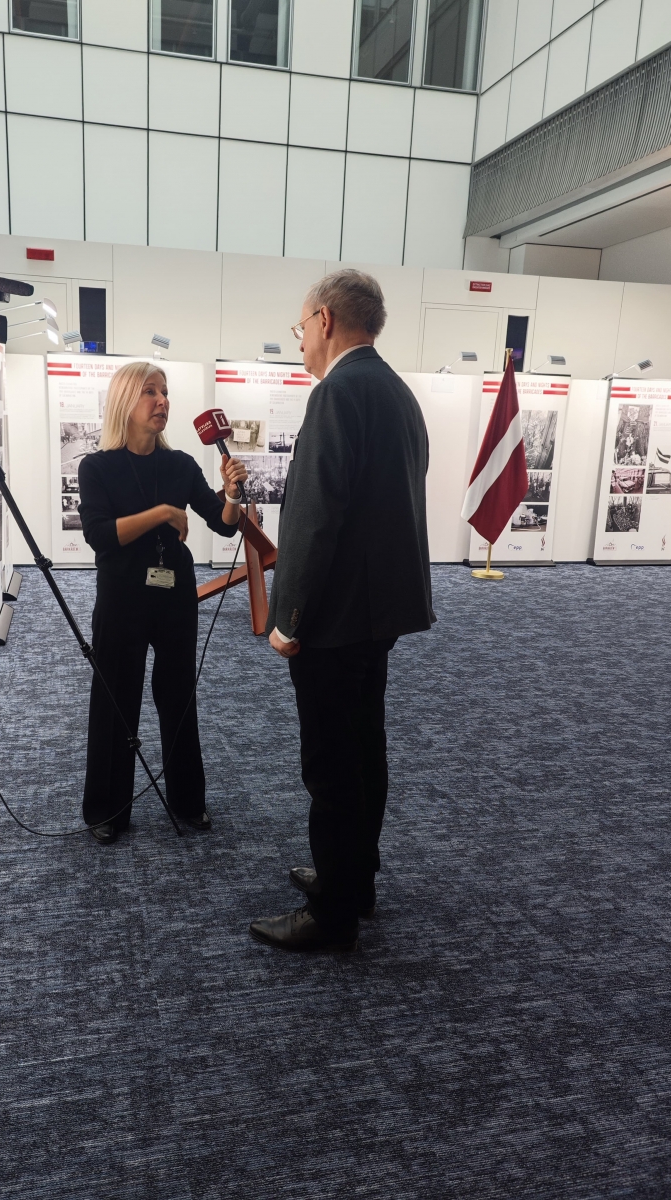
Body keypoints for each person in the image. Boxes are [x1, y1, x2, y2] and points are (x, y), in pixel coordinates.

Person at [249, 269, 435, 953]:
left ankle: (332, 916)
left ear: (324, 320)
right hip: (378, 612)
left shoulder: (336, 392)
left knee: (330, 765)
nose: (300, 342)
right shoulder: (396, 391)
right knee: (364, 748)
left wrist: (289, 618)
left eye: (300, 328)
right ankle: (354, 880)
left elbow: (314, 519)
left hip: (332, 617)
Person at [77, 361, 248, 845]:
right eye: (150, 392)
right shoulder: (97, 467)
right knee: (115, 700)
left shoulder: (180, 465)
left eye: (165, 392)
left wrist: (231, 496)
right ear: (124, 401)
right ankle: (107, 808)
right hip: (122, 597)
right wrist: (162, 514)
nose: (162, 400)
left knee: (178, 697)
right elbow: (99, 535)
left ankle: (188, 801)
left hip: (174, 595)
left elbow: (223, 524)